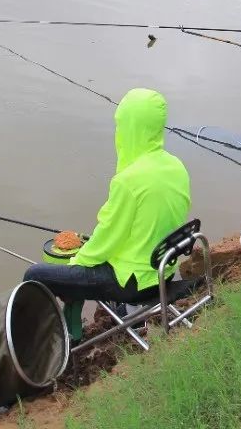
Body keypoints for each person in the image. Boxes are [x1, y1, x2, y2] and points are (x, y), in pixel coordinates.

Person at [23, 88, 191, 341]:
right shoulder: (176, 166)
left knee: (35, 275)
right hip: (163, 270)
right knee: (81, 265)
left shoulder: (129, 180)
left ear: (130, 128)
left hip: (133, 283)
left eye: (120, 125)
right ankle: (92, 322)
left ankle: (43, 343)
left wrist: (74, 263)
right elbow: (142, 226)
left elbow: (106, 241)